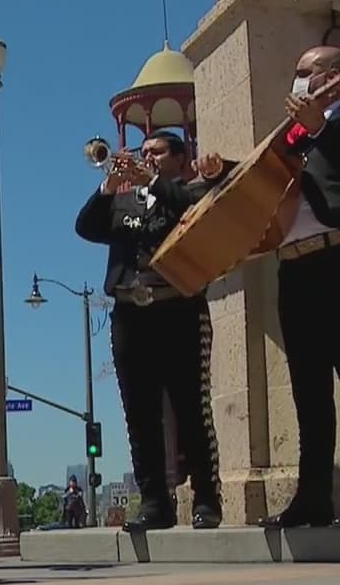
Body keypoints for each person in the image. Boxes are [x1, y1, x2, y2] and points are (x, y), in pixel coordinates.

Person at [218, 45, 340, 529]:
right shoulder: (290, 139)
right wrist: (221, 173)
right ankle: (313, 497)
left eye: (305, 72)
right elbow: (265, 185)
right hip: (293, 269)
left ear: (337, 77)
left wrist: (321, 128)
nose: (296, 81)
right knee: (309, 392)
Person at [75, 129, 222, 532]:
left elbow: (197, 210)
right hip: (130, 314)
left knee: (191, 407)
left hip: (177, 309)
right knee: (139, 414)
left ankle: (207, 499)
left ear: (179, 158)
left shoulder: (189, 191)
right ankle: (156, 502)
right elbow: (85, 227)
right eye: (143, 152)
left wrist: (153, 182)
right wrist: (108, 186)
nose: (147, 157)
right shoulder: (123, 201)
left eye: (156, 152)